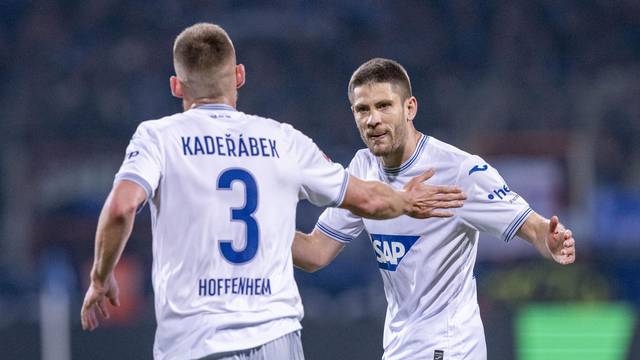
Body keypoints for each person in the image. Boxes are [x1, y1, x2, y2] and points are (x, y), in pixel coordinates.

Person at [79, 25, 467, 360]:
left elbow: (120, 209)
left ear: (176, 85)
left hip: (194, 341)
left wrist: (101, 276)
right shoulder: (282, 140)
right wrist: (406, 200)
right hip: (275, 340)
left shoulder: (158, 138)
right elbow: (367, 198)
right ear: (240, 76)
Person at [293, 58, 576, 360]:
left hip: (448, 349)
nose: (372, 119)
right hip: (401, 348)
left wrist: (547, 238)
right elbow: (315, 252)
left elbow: (530, 225)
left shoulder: (459, 171)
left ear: (410, 108)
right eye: (363, 109)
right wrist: (260, 230)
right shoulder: (363, 169)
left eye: (384, 106)